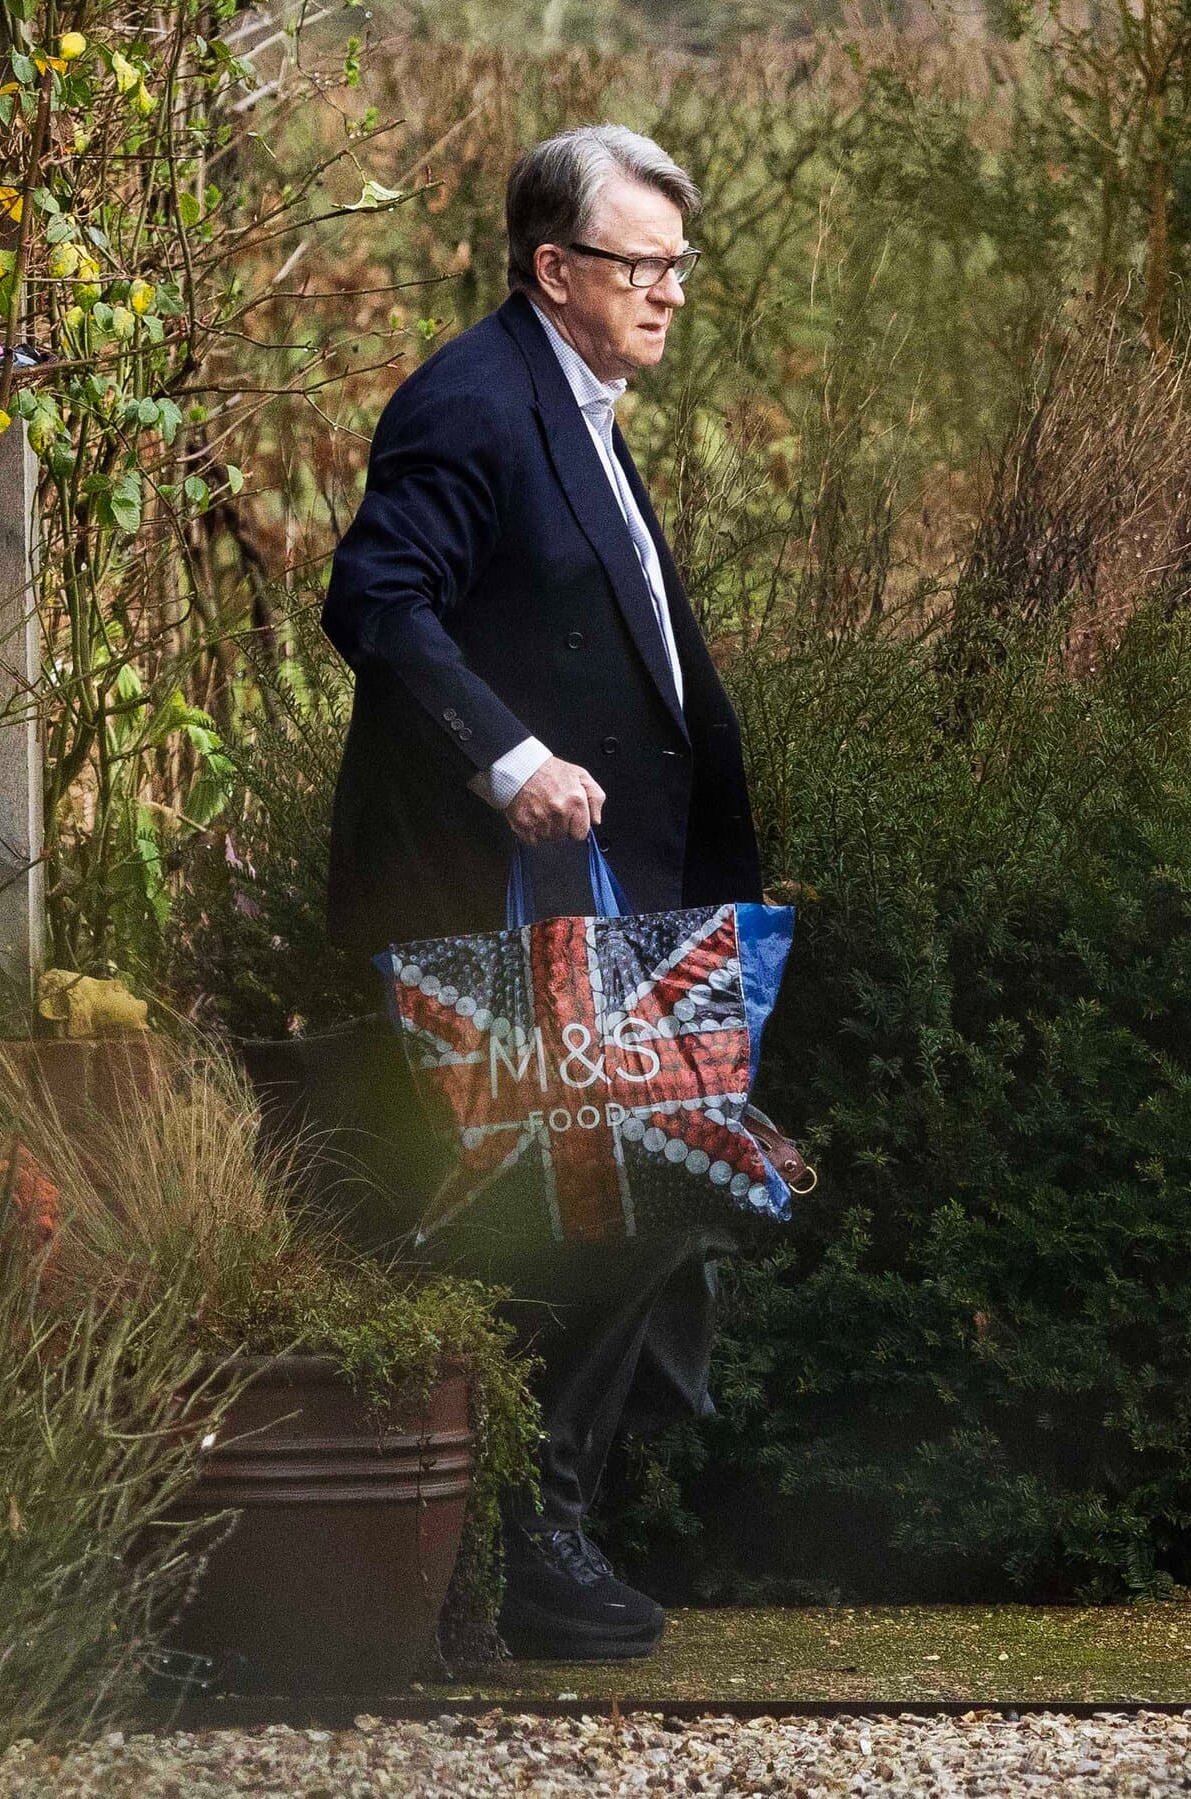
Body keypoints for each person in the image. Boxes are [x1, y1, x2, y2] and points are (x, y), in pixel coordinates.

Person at [318, 123, 762, 1661]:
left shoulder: (575, 399)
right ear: (555, 269)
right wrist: (507, 760)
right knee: (593, 1210)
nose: (669, 295)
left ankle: (531, 1537)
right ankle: (515, 1550)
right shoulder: (472, 399)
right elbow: (374, 596)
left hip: (600, 906)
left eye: (679, 268)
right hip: (485, 910)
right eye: (641, 267)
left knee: (648, 1197)